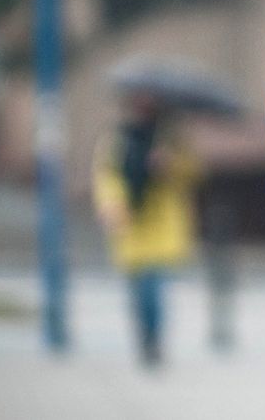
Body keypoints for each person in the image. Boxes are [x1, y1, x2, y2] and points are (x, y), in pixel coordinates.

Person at [92, 90, 203, 367]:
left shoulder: (170, 140)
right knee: (137, 292)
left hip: (162, 225)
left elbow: (194, 173)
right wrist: (111, 204)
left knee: (154, 288)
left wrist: (169, 165)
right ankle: (144, 335)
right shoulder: (118, 139)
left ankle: (153, 339)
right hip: (130, 224)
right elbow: (106, 175)